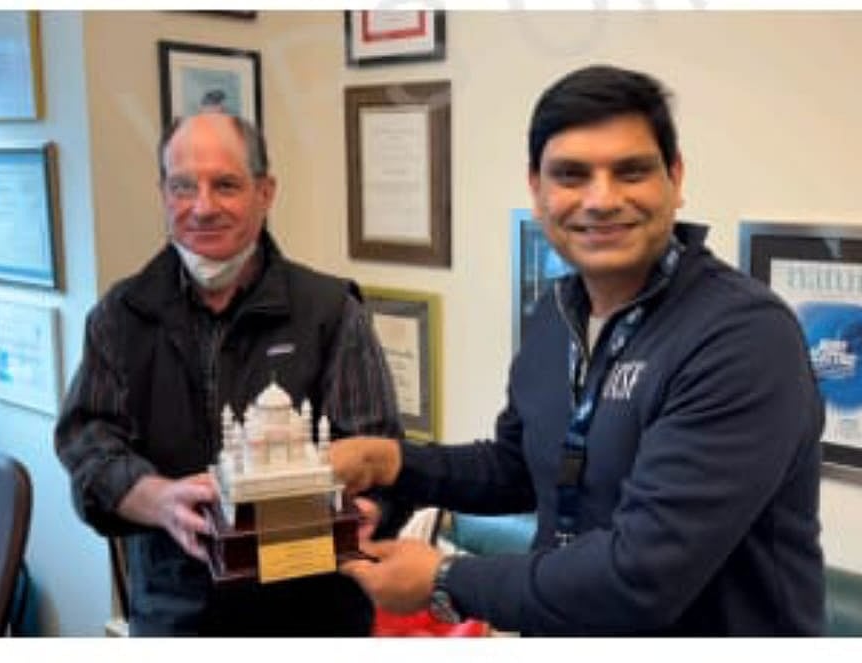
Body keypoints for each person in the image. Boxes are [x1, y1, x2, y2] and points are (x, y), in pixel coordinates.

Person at [334, 65, 826, 636]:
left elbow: (639, 578)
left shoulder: (741, 337)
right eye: (571, 175)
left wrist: (447, 579)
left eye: (631, 171)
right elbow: (520, 467)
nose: (601, 199)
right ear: (536, 190)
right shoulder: (557, 313)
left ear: (676, 176)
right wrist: (391, 462)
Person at [55, 112, 408, 636]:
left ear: (265, 193)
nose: (202, 207)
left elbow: (378, 451)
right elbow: (88, 445)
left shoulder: (330, 312)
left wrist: (367, 509)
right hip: (177, 615)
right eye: (182, 187)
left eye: (225, 185)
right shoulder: (121, 316)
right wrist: (162, 501)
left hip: (311, 614)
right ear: (162, 193)